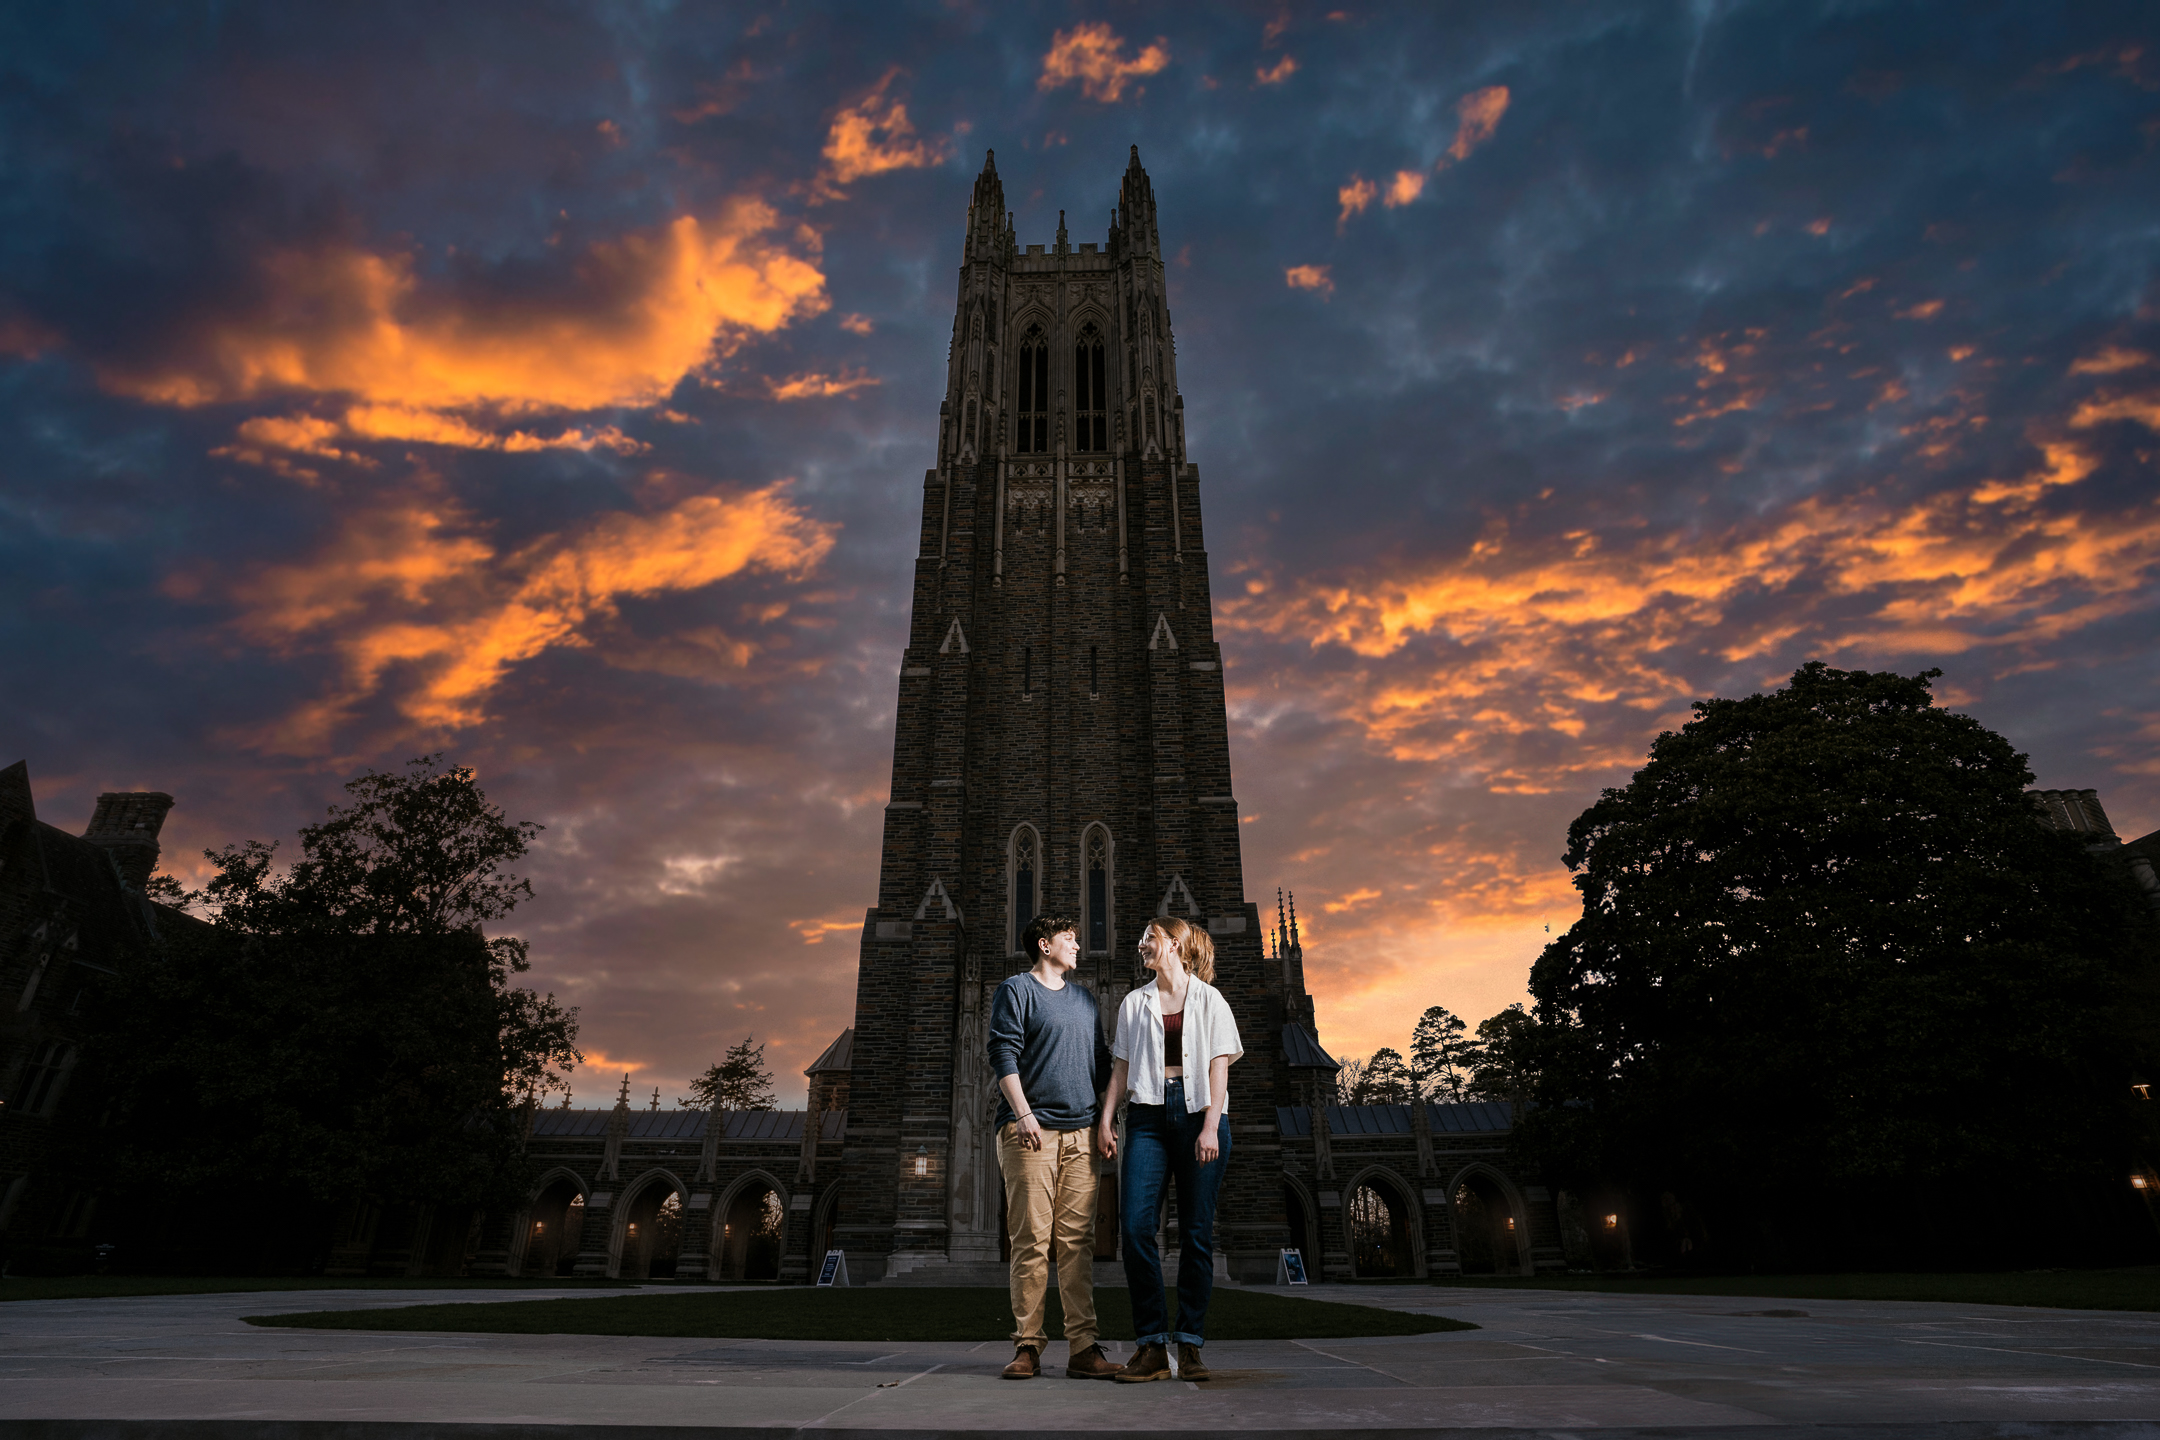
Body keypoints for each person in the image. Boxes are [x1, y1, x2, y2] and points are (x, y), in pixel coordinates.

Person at [1097, 916, 1244, 1382]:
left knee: (1197, 1233)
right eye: (1141, 937)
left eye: (1150, 938)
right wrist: (1106, 1118)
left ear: (1175, 945)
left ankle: (1191, 1344)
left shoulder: (1211, 1000)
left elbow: (1219, 1067)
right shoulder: (1133, 1003)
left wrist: (1208, 1127)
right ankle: (1152, 1346)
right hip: (1146, 1117)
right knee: (1137, 1227)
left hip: (1202, 1114)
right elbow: (1120, 1067)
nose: (1141, 944)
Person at [988, 912, 1119, 1380]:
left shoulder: (1085, 1001)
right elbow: (1001, 1052)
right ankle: (1028, 1345)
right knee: (1030, 1242)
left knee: (1077, 1244)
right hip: (1030, 1133)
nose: (1078, 946)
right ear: (1045, 946)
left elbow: (1102, 1066)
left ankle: (1084, 1348)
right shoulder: (1016, 991)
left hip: (1082, 1133)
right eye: (1069, 939)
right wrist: (1023, 1115)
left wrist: (1106, 1120)